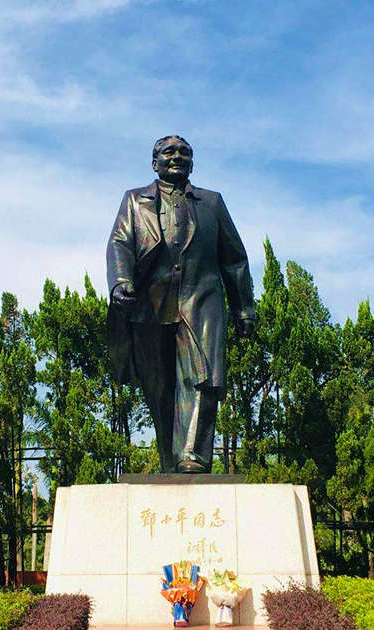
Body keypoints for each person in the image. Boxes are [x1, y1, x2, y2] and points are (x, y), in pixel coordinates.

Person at [106, 135, 256, 473]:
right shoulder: (134, 200)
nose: (177, 157)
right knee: (158, 385)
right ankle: (169, 459)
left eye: (185, 153)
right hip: (150, 303)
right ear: (154, 161)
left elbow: (234, 259)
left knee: (201, 377)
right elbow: (120, 243)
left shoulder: (211, 203)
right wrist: (121, 281)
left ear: (193, 162)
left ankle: (193, 455)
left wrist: (243, 307)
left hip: (200, 300)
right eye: (169, 152)